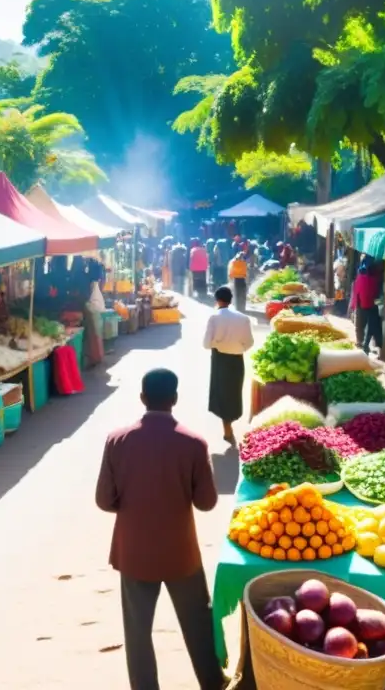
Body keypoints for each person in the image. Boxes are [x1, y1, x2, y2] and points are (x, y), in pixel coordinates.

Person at [95, 369, 224, 690]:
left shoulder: (117, 440)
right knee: (197, 624)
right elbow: (206, 503)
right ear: (175, 399)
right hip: (180, 554)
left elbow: (104, 500)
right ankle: (212, 683)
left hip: (134, 552)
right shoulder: (193, 443)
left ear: (142, 398)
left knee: (137, 632)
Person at [204, 286, 254, 445]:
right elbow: (250, 342)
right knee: (234, 391)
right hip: (237, 359)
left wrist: (218, 344)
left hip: (220, 359)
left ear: (217, 300)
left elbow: (206, 344)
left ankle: (227, 427)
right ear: (231, 299)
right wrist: (237, 348)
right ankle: (230, 423)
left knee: (220, 392)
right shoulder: (243, 318)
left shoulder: (214, 317)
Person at [350, 259, 383, 354]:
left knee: (361, 324)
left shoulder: (360, 277)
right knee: (370, 326)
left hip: (361, 303)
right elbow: (375, 292)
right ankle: (365, 345)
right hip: (368, 304)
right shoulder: (373, 279)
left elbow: (356, 292)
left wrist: (353, 305)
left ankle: (361, 343)